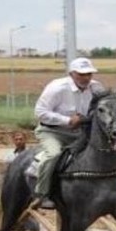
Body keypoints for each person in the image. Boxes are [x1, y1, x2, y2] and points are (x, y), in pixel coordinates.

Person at [31, 57, 101, 208]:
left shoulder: (96, 88)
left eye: (89, 74)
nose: (86, 78)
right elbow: (40, 112)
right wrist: (67, 120)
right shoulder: (57, 88)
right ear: (72, 74)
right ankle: (42, 194)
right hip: (51, 131)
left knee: (102, 151)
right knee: (54, 154)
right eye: (82, 74)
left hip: (80, 133)